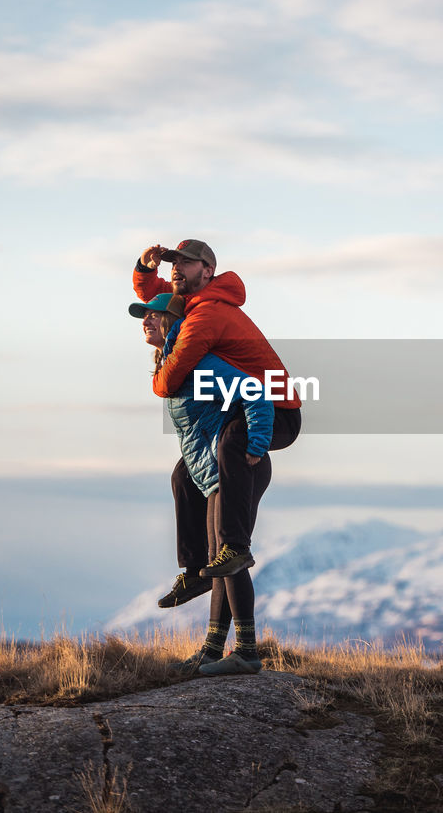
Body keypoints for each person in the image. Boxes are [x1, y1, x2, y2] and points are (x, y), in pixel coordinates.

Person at [133, 240, 302, 607]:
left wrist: (256, 446)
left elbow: (170, 379)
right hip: (248, 407)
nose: (175, 268)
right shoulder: (193, 304)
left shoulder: (206, 316)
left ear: (207, 271)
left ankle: (235, 547)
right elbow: (160, 302)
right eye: (174, 262)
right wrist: (147, 268)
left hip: (278, 410)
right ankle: (195, 573)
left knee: (230, 443)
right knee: (183, 473)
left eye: (186, 263)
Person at [130, 292, 275, 675]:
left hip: (236, 467)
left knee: (229, 554)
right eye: (143, 316)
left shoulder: (198, 363)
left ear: (173, 321)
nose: (146, 321)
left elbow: (257, 393)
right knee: (217, 561)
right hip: (212, 473)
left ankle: (246, 651)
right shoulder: (175, 365)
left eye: (154, 315)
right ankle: (212, 651)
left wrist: (257, 444)